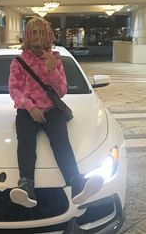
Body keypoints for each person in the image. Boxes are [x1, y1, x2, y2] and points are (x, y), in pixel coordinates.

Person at [8, 17, 103, 208]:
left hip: (52, 110)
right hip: (28, 111)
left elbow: (61, 91)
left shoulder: (55, 59)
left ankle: (77, 184)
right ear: (27, 35)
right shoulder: (18, 62)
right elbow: (14, 90)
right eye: (33, 32)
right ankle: (26, 187)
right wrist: (30, 106)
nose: (36, 36)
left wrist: (52, 71)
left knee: (61, 142)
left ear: (48, 36)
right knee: (25, 143)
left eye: (41, 32)